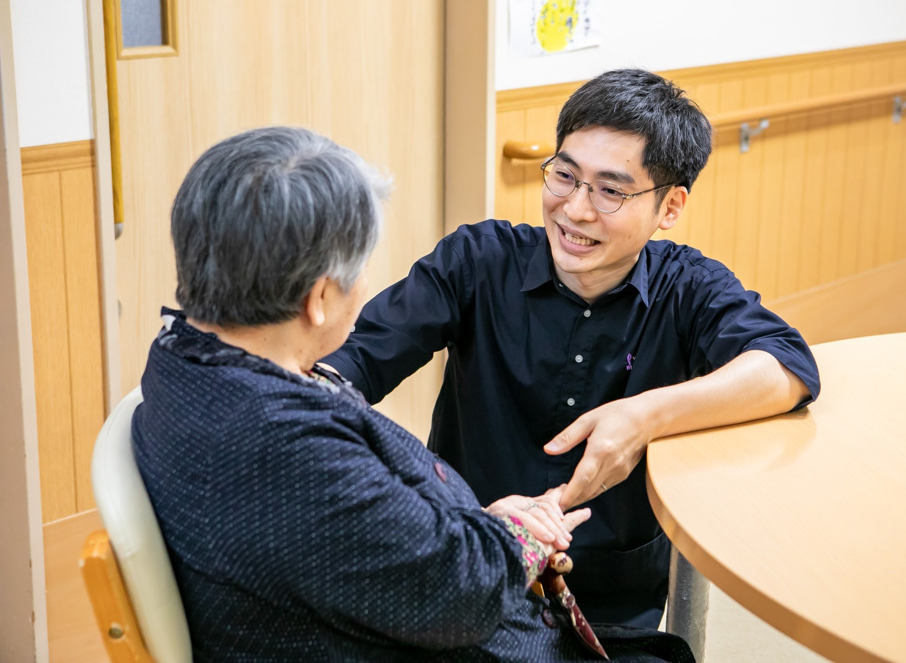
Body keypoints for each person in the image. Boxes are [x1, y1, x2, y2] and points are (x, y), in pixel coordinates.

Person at [132, 126, 693, 661]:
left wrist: (481, 523)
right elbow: (462, 594)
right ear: (321, 299)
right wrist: (513, 533)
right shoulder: (286, 443)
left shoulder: (182, 361)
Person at [323, 69, 822, 628]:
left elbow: (787, 367)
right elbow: (346, 368)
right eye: (564, 176)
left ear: (670, 208)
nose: (575, 210)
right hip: (466, 569)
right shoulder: (478, 261)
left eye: (611, 190)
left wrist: (643, 416)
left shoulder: (689, 288)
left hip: (608, 600)